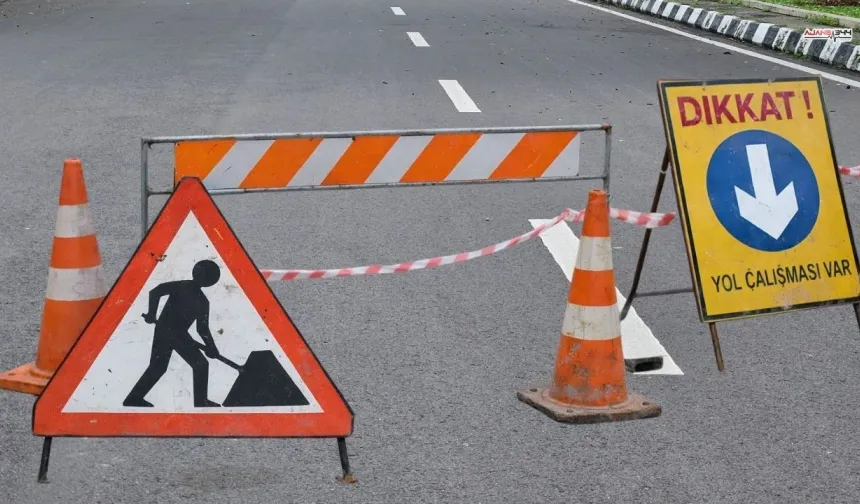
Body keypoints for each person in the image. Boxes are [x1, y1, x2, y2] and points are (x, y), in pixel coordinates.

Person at [123, 259, 223, 408]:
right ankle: (200, 401)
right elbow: (155, 292)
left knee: (193, 365)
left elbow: (202, 329)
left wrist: (211, 347)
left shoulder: (201, 300)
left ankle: (134, 398)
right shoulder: (187, 291)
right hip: (165, 330)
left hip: (179, 334)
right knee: (166, 366)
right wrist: (152, 313)